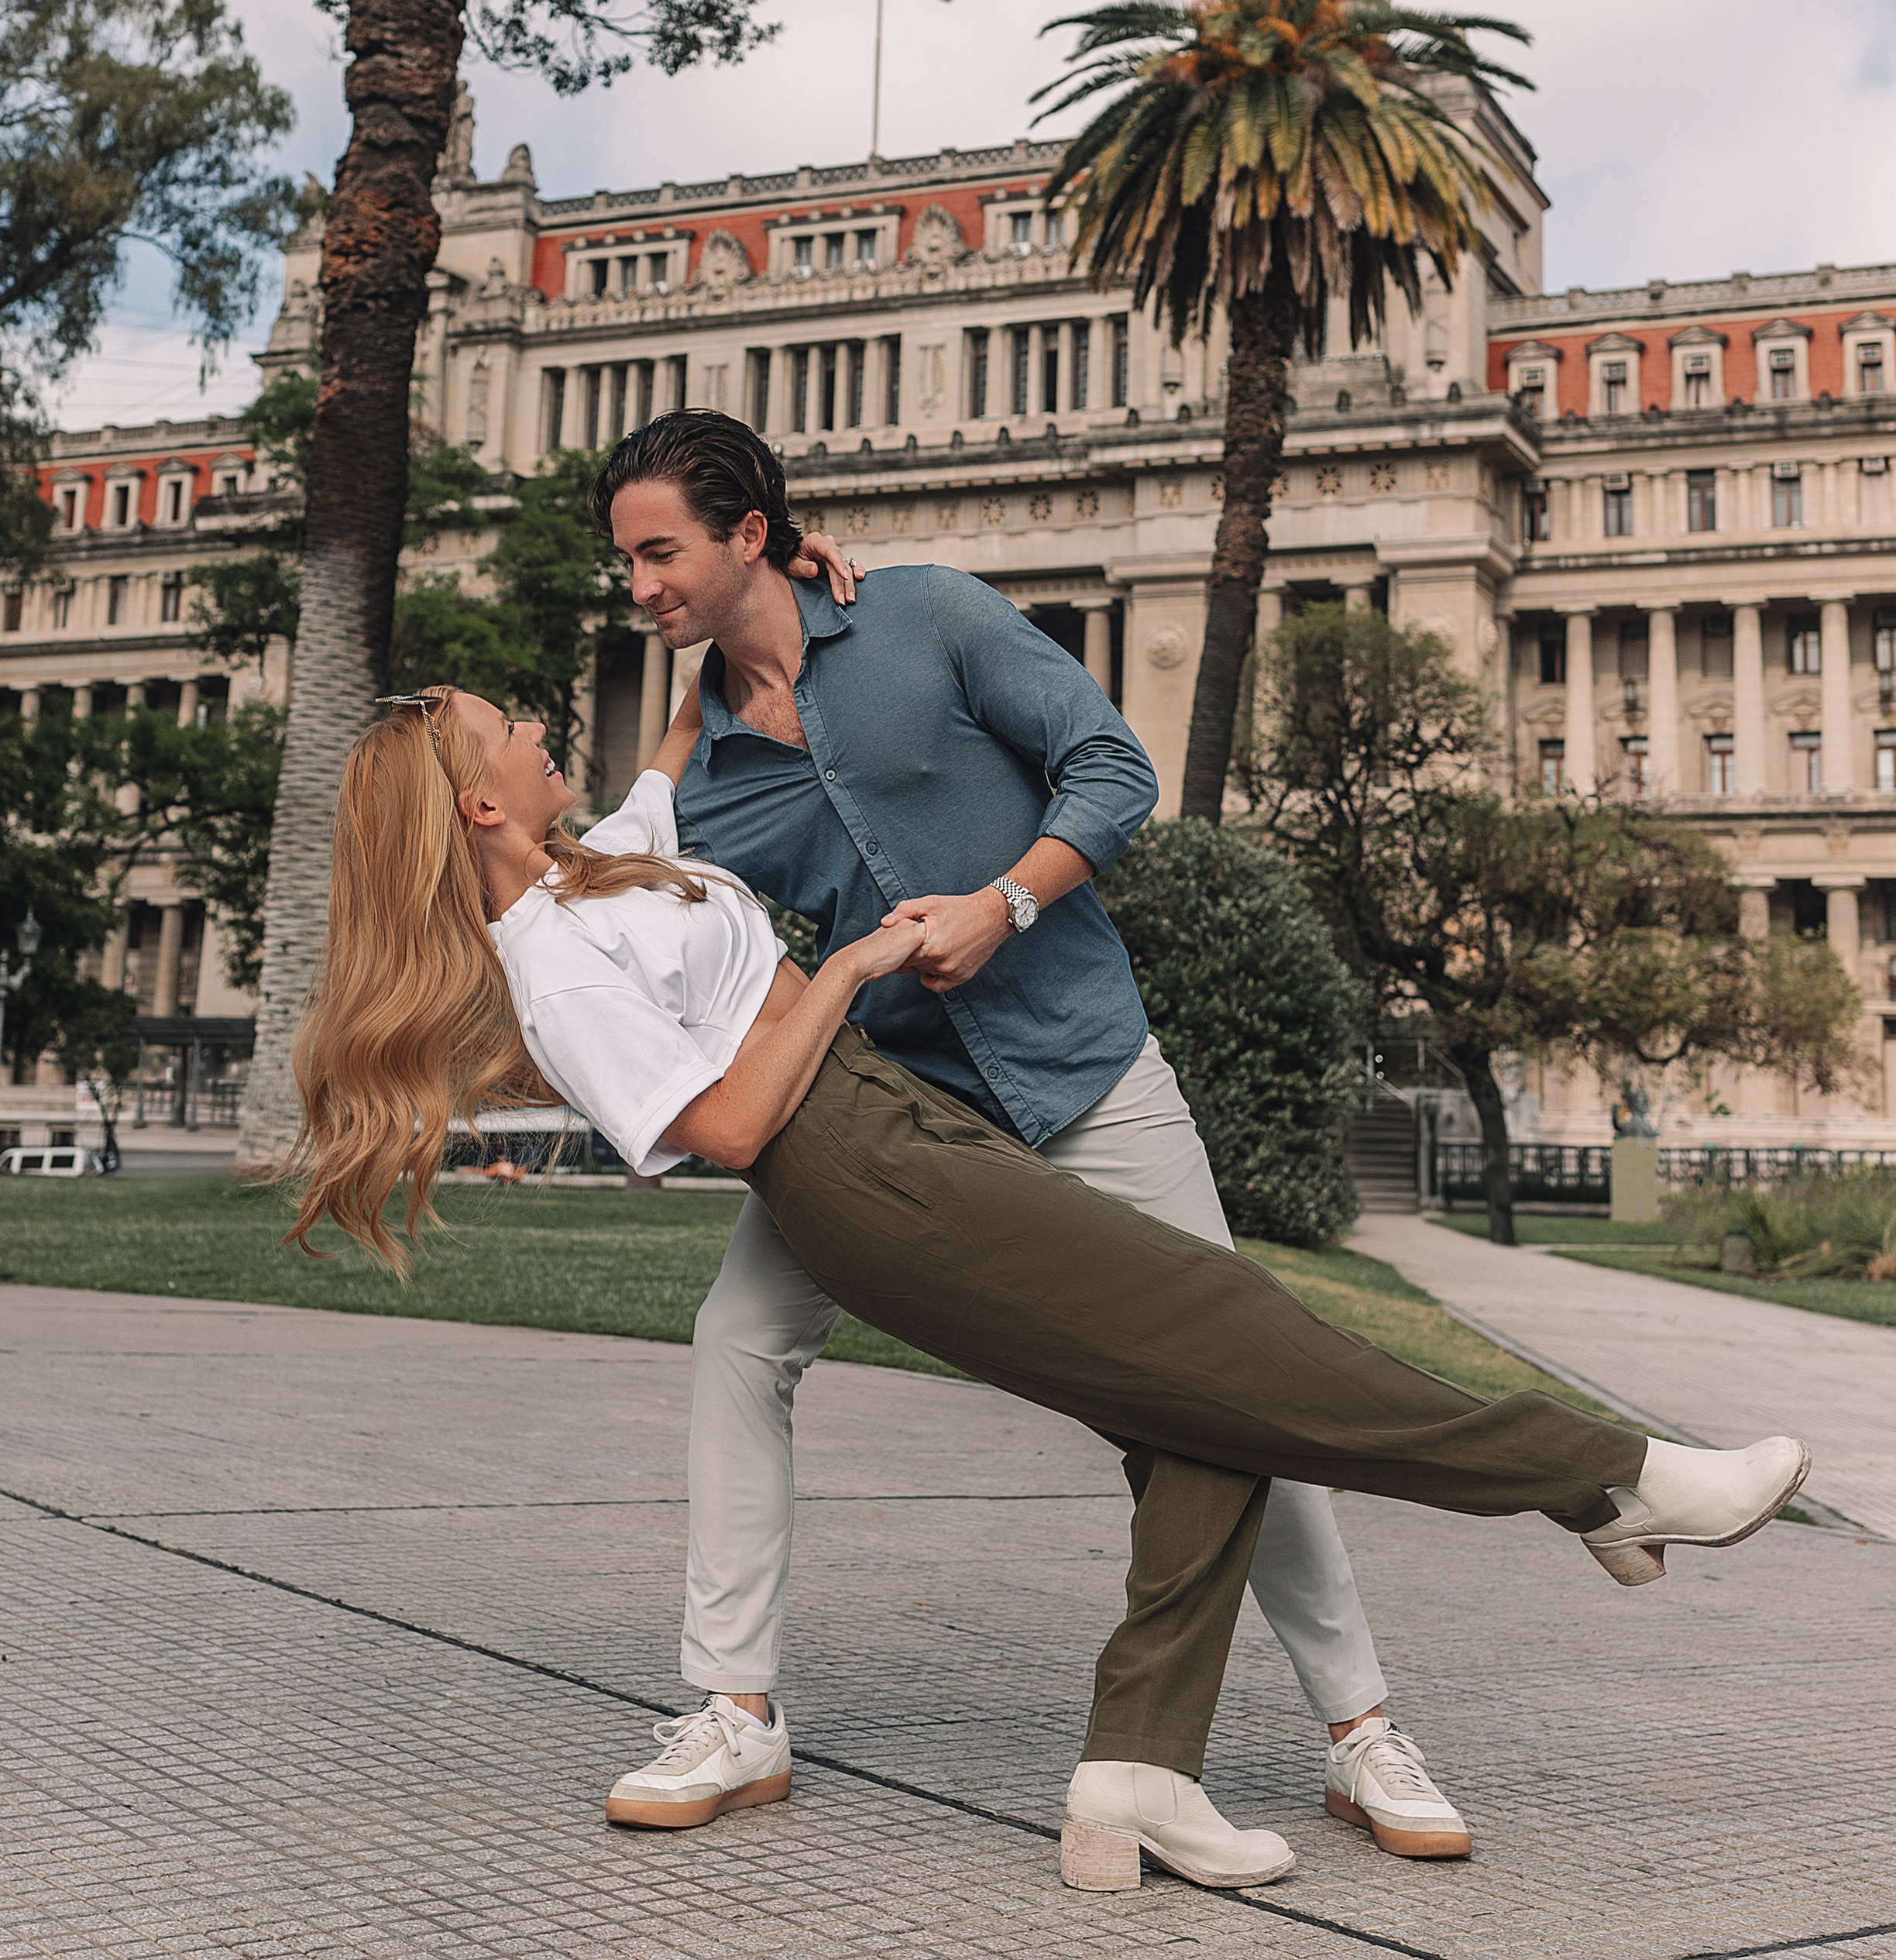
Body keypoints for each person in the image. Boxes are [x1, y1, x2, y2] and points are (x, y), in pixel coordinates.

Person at [290, 686, 1811, 1896]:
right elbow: (728, 1131)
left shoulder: (594, 867)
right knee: (1246, 1340)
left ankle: (1135, 1766)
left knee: (1207, 1398)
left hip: (893, 1128)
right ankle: (1604, 1481)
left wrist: (789, 585)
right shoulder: (548, 958)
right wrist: (852, 969)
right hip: (852, 1172)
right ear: (479, 798)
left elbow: (690, 722)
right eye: (514, 729)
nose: (548, 729)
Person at [592, 414, 1458, 1862]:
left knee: (1233, 1377)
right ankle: (735, 1711)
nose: (636, 584)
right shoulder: (710, 775)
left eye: (659, 551)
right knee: (741, 1337)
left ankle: (1360, 1733)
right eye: (624, 559)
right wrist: (692, 711)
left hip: (1086, 1067)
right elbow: (636, 888)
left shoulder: (925, 613)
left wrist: (1006, 903)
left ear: (749, 531)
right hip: (892, 1111)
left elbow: (1115, 769)